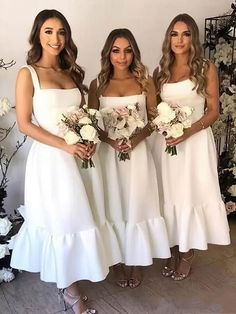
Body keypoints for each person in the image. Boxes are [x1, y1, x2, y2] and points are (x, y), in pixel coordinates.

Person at [10, 9, 121, 314]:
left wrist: (89, 140)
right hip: (52, 160)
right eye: (48, 31)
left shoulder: (71, 72)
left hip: (80, 158)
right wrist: (65, 146)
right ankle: (69, 291)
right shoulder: (27, 73)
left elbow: (83, 116)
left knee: (80, 218)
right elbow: (25, 124)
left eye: (61, 32)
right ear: (37, 35)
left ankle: (72, 276)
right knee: (61, 220)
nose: (56, 39)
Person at [88, 28, 170, 288]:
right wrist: (110, 140)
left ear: (134, 52)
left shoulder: (145, 81)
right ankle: (118, 258)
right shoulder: (97, 85)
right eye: (116, 50)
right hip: (109, 155)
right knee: (115, 204)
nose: (122, 57)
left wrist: (136, 138)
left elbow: (155, 118)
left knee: (137, 203)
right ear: (108, 53)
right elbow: (91, 125)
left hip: (138, 154)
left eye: (127, 50)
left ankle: (135, 261)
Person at [152, 13, 230, 281]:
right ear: (168, 38)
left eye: (185, 34)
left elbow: (212, 112)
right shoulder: (159, 71)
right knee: (169, 196)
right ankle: (174, 248)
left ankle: (187, 253)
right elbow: (154, 111)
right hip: (167, 146)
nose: (179, 39)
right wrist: (165, 129)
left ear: (193, 37)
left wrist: (186, 131)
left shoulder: (205, 67)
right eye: (174, 34)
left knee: (189, 195)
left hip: (194, 143)